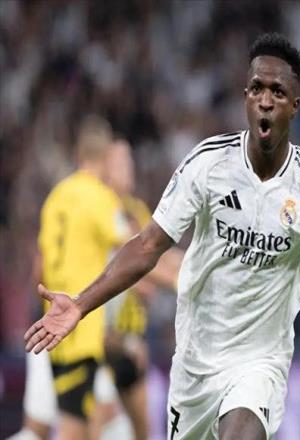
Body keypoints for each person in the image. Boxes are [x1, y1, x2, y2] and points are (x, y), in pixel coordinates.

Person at [25, 33, 300, 440]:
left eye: (278, 92)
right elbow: (147, 247)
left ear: (295, 105)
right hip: (196, 364)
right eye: (257, 88)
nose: (265, 100)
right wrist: (80, 304)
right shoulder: (208, 165)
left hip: (260, 364)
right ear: (245, 97)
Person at [35, 116, 130, 440]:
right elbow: (135, 249)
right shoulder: (99, 197)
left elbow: (39, 268)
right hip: (80, 329)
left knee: (94, 422)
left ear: (79, 154)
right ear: (105, 156)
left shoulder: (56, 197)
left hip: (54, 322)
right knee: (74, 428)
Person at [97, 139, 182, 440]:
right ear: (105, 168)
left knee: (141, 429)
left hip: (130, 336)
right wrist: (179, 281)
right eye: (121, 163)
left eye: (130, 161)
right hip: (102, 337)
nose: (129, 169)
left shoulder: (135, 210)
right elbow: (136, 264)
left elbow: (157, 256)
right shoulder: (100, 208)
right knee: (97, 423)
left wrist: (198, 263)